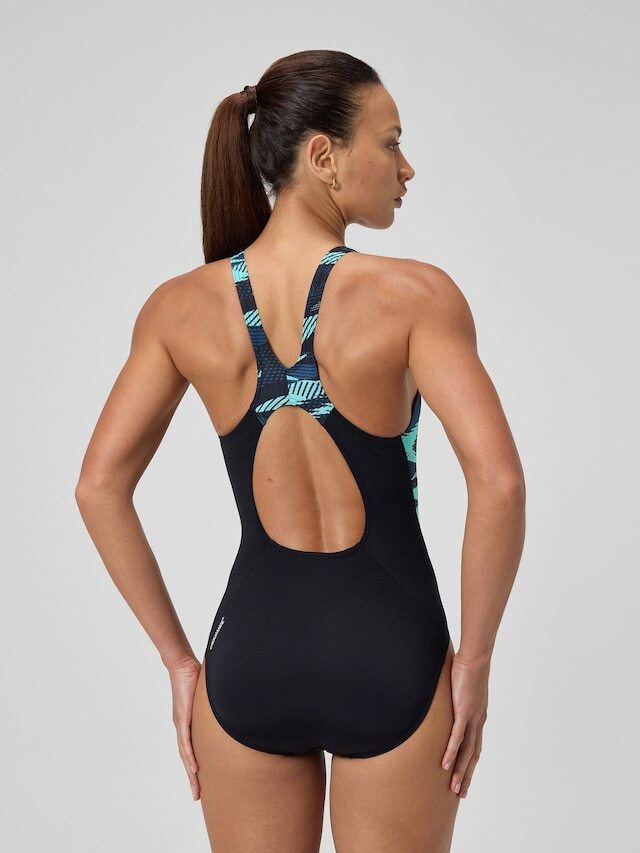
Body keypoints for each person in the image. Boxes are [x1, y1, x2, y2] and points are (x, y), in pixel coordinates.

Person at [75, 49, 526, 853]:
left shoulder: (178, 307)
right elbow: (498, 481)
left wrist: (180, 663)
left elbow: (97, 485)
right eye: (391, 142)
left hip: (250, 656)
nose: (406, 167)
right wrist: (476, 663)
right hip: (393, 654)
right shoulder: (416, 296)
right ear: (323, 155)